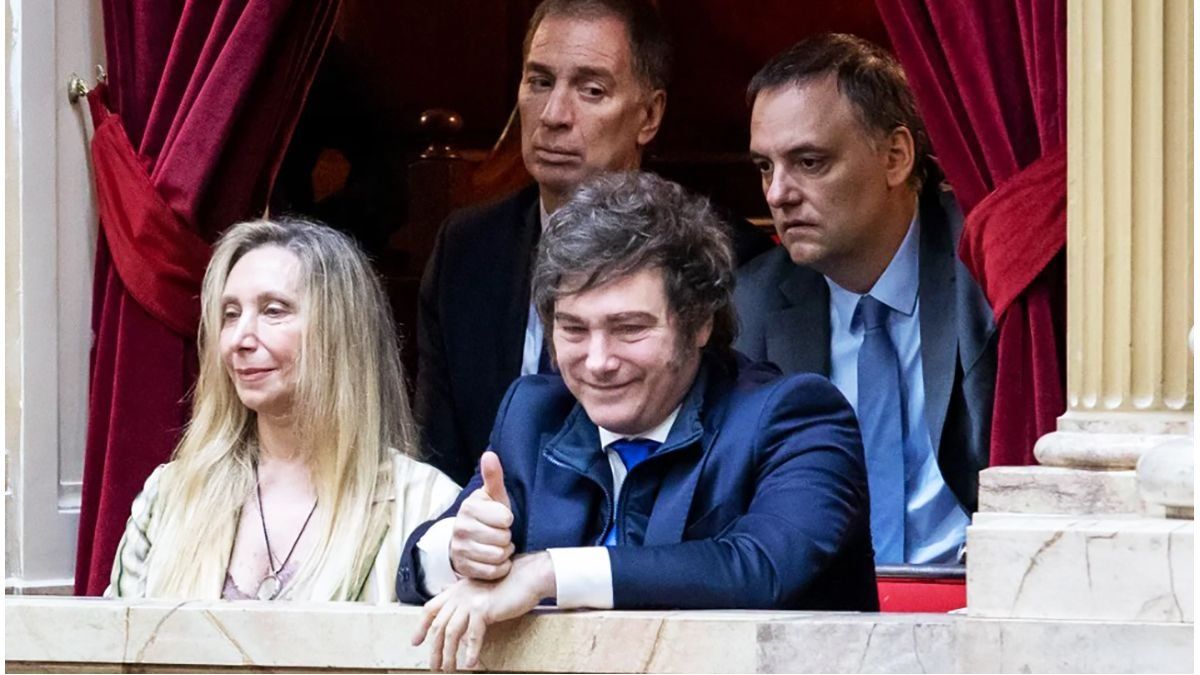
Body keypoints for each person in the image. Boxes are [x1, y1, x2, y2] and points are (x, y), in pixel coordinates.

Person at [400, 171, 877, 671]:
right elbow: (416, 566)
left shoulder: (796, 416)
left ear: (699, 322)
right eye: (573, 329)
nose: (598, 361)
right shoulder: (534, 415)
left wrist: (547, 573)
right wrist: (459, 551)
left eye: (628, 329)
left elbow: (759, 567)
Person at [416, 0, 774, 485]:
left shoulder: (727, 257)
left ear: (649, 115)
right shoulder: (467, 250)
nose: (554, 115)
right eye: (540, 82)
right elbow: (437, 464)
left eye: (591, 90)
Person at [735, 34, 997, 565]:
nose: (777, 193)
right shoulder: (749, 304)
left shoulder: (986, 269)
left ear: (895, 157)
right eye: (765, 166)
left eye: (809, 162)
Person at [105, 218, 460, 601]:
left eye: (273, 311)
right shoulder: (168, 497)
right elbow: (110, 637)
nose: (240, 339)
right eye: (230, 314)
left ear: (339, 331)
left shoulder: (427, 507)